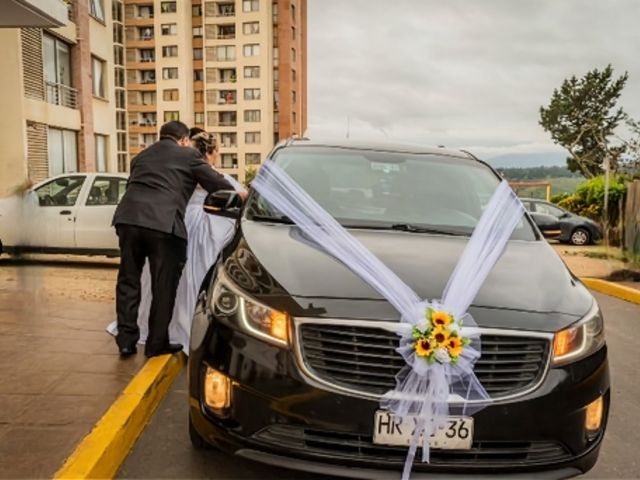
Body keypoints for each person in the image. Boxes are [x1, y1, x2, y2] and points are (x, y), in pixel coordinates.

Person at [108, 128, 246, 355]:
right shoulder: (188, 155)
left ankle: (126, 341)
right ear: (183, 140)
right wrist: (238, 193)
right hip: (162, 225)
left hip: (128, 220)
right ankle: (156, 343)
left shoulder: (141, 156)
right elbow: (217, 185)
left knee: (128, 280)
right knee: (163, 285)